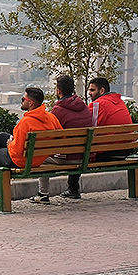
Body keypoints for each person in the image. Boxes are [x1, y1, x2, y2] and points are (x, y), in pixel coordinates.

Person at [31, 74, 94, 204]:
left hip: (66, 158)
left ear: (58, 90)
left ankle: (43, 193)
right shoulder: (84, 107)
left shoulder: (58, 110)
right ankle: (73, 189)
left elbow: (48, 134)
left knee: (40, 155)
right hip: (84, 156)